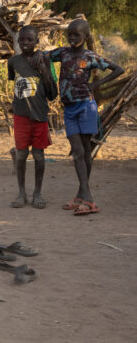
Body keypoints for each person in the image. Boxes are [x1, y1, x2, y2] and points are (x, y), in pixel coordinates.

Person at [47, 18, 123, 215]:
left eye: (77, 35)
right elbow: (43, 57)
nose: (72, 38)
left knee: (84, 153)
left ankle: (86, 197)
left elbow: (118, 70)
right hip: (69, 110)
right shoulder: (62, 53)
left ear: (85, 36)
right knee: (78, 151)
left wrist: (96, 85)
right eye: (70, 34)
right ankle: (83, 196)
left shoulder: (90, 57)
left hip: (86, 107)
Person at [7, 25, 57, 209]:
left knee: (38, 155)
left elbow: (53, 94)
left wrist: (43, 69)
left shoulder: (44, 59)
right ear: (18, 41)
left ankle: (37, 193)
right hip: (20, 116)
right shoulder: (13, 62)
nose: (25, 43)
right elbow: (15, 85)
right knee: (20, 154)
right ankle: (21, 193)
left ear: (37, 41)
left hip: (39, 115)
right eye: (22, 39)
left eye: (30, 40)